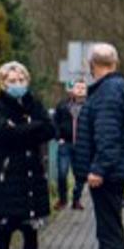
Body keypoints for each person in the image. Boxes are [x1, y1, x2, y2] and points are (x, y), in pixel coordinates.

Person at [70, 43, 124, 249]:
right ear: (115, 63)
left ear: (92, 65)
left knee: (110, 231)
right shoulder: (121, 88)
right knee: (105, 229)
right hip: (117, 169)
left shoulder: (107, 93)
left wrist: (98, 169)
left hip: (108, 173)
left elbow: (107, 136)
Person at [0, 62, 53, 249]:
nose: (17, 85)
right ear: (3, 83)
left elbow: (49, 129)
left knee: (30, 231)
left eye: (21, 80)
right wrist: (30, 128)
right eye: (12, 81)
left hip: (31, 174)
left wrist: (23, 128)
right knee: (4, 231)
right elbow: (4, 133)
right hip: (7, 175)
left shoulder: (34, 104)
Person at [52, 79, 86, 211]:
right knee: (62, 173)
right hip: (65, 144)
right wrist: (58, 137)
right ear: (72, 90)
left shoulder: (89, 106)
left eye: (83, 88)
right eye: (78, 88)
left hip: (82, 145)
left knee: (80, 175)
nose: (80, 90)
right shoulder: (62, 105)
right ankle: (62, 199)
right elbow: (55, 122)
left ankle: (76, 200)